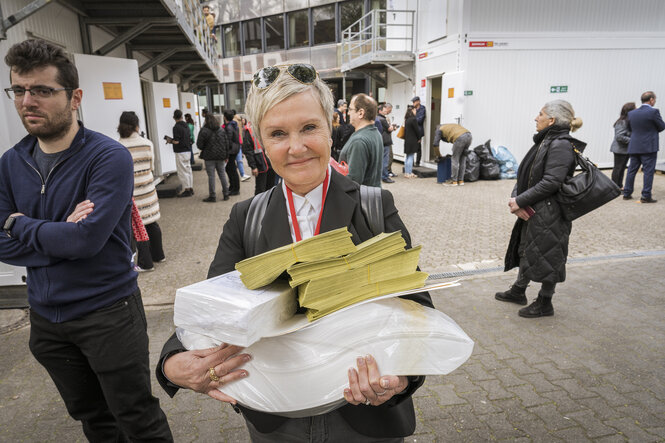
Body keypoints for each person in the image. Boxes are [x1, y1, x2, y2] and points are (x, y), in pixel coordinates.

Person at [156, 63, 433, 441]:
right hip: (276, 418)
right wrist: (172, 361)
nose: (296, 147)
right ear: (261, 141)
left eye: (308, 128)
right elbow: (211, 309)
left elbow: (418, 306)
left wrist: (400, 377)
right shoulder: (246, 217)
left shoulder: (373, 207)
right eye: (278, 133)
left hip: (362, 415)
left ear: (330, 127)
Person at [0, 39, 172, 441]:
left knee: (137, 418)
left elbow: (85, 242)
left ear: (75, 96)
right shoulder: (10, 163)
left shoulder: (107, 157)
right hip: (46, 319)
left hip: (107, 313)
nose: (28, 101)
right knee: (94, 420)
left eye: (42, 90)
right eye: (19, 90)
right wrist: (60, 231)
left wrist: (17, 223)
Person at [496, 100, 584, 318]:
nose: (536, 118)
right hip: (537, 208)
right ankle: (519, 290)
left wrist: (520, 201)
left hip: (551, 212)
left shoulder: (560, 144)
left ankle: (545, 302)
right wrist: (517, 198)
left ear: (551, 120)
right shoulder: (546, 140)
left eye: (540, 114)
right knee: (528, 248)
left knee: (549, 255)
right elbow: (527, 174)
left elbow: (551, 182)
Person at [118, 111, 166, 270]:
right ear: (137, 125)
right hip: (148, 189)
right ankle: (159, 255)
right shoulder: (147, 143)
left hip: (132, 193)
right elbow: (152, 166)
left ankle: (146, 263)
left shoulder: (118, 146)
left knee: (138, 227)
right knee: (152, 222)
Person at [623, 91, 665, 203]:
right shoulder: (654, 112)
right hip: (649, 147)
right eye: (654, 99)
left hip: (635, 145)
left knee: (631, 170)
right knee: (648, 172)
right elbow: (662, 127)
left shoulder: (632, 113)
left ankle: (626, 193)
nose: (655, 101)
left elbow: (629, 128)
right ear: (651, 99)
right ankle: (645, 196)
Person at [339, 93, 384, 187]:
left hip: (359, 199)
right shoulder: (375, 133)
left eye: (350, 109)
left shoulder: (359, 141)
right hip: (371, 195)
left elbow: (353, 181)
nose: (348, 113)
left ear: (361, 113)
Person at [198, 113, 230, 202]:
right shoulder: (221, 130)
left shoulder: (204, 131)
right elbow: (226, 144)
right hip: (221, 156)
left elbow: (199, 145)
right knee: (222, 174)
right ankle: (226, 193)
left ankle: (212, 196)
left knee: (211, 176)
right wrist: (226, 155)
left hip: (209, 157)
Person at [241, 116, 277, 195]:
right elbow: (248, 150)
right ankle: (259, 206)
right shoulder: (249, 131)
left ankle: (270, 205)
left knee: (272, 188)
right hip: (260, 164)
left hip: (271, 163)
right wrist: (253, 166)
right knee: (260, 189)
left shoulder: (267, 127)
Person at [166, 109, 194, 197]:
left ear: (174, 117)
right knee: (188, 170)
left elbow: (177, 141)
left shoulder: (176, 127)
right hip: (188, 151)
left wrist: (170, 141)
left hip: (180, 152)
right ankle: (190, 187)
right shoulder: (187, 126)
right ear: (182, 116)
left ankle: (186, 190)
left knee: (182, 172)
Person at [610, 102, 635, 189]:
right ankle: (614, 187)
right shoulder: (622, 122)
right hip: (619, 149)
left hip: (625, 149)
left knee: (622, 168)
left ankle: (619, 186)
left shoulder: (627, 121)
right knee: (618, 168)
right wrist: (632, 140)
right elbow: (619, 137)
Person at [223, 110, 241, 196]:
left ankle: (235, 188)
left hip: (231, 150)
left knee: (231, 169)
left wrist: (226, 151)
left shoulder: (229, 127)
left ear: (225, 117)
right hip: (235, 149)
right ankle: (233, 187)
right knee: (231, 168)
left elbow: (228, 141)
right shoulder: (234, 125)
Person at [376, 103, 396, 183]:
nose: (386, 112)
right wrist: (393, 128)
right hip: (385, 141)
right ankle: (385, 176)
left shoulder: (377, 118)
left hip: (381, 141)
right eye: (384, 110)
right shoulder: (382, 119)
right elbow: (389, 129)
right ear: (380, 111)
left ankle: (381, 176)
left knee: (381, 160)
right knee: (385, 160)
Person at [403, 105, 420, 178]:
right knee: (411, 156)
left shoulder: (407, 119)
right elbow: (417, 130)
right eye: (415, 110)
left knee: (407, 156)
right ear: (412, 110)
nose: (416, 112)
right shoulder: (413, 119)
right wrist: (419, 138)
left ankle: (407, 172)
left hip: (407, 140)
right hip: (413, 140)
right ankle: (409, 173)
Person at [234, 113, 252, 182]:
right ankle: (242, 174)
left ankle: (242, 174)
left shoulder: (235, 122)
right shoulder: (239, 122)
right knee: (239, 160)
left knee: (239, 160)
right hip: (239, 143)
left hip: (237, 143)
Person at [412, 96, 426, 167]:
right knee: (411, 147)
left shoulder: (422, 108)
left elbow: (420, 120)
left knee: (418, 147)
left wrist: (413, 119)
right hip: (412, 130)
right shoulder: (412, 108)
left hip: (419, 130)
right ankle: (411, 163)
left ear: (418, 101)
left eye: (414, 102)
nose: (413, 103)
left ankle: (417, 163)